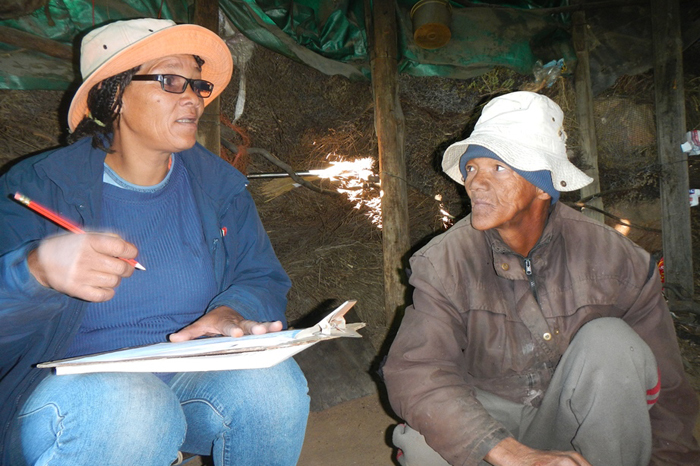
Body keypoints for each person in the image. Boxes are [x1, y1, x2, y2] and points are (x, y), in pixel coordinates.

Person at [0, 18, 309, 466]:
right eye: (170, 80)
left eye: (197, 85)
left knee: (272, 384)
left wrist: (234, 310)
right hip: (69, 397)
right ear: (116, 95)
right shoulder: (41, 186)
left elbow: (260, 276)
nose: (193, 98)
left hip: (189, 379)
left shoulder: (218, 187)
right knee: (133, 405)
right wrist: (35, 272)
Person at [382, 91, 700, 466]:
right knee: (421, 442)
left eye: (498, 168)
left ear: (542, 185)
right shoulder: (444, 261)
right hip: (489, 424)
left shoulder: (617, 260)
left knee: (612, 342)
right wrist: (511, 454)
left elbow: (669, 392)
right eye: (471, 168)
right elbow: (417, 371)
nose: (475, 183)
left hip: (582, 424)